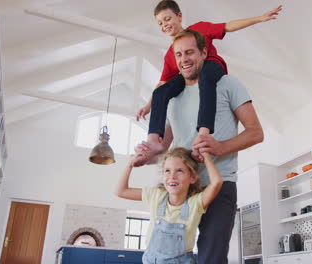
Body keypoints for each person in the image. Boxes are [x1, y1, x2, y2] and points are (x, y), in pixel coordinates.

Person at [134, 30, 264, 263]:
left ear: (204, 53)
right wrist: (147, 158)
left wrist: (220, 147)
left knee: (211, 259)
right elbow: (164, 149)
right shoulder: (170, 97)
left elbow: (256, 132)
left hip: (218, 185)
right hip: (179, 189)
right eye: (179, 54)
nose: (184, 59)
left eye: (190, 52)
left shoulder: (228, 84)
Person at [134, 0, 282, 165]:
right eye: (160, 23)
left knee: (205, 77)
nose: (165, 25)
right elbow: (162, 83)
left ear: (179, 16)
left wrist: (259, 19)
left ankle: (203, 133)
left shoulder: (199, 28)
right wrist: (148, 106)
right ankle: (153, 140)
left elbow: (228, 26)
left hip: (211, 66)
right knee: (160, 92)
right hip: (189, 74)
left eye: (167, 19)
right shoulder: (171, 54)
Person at [115, 147, 222, 264]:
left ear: (192, 178)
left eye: (179, 171)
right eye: (167, 171)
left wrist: (206, 157)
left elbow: (217, 182)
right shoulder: (156, 195)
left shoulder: (195, 203)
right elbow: (121, 191)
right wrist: (130, 164)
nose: (172, 176)